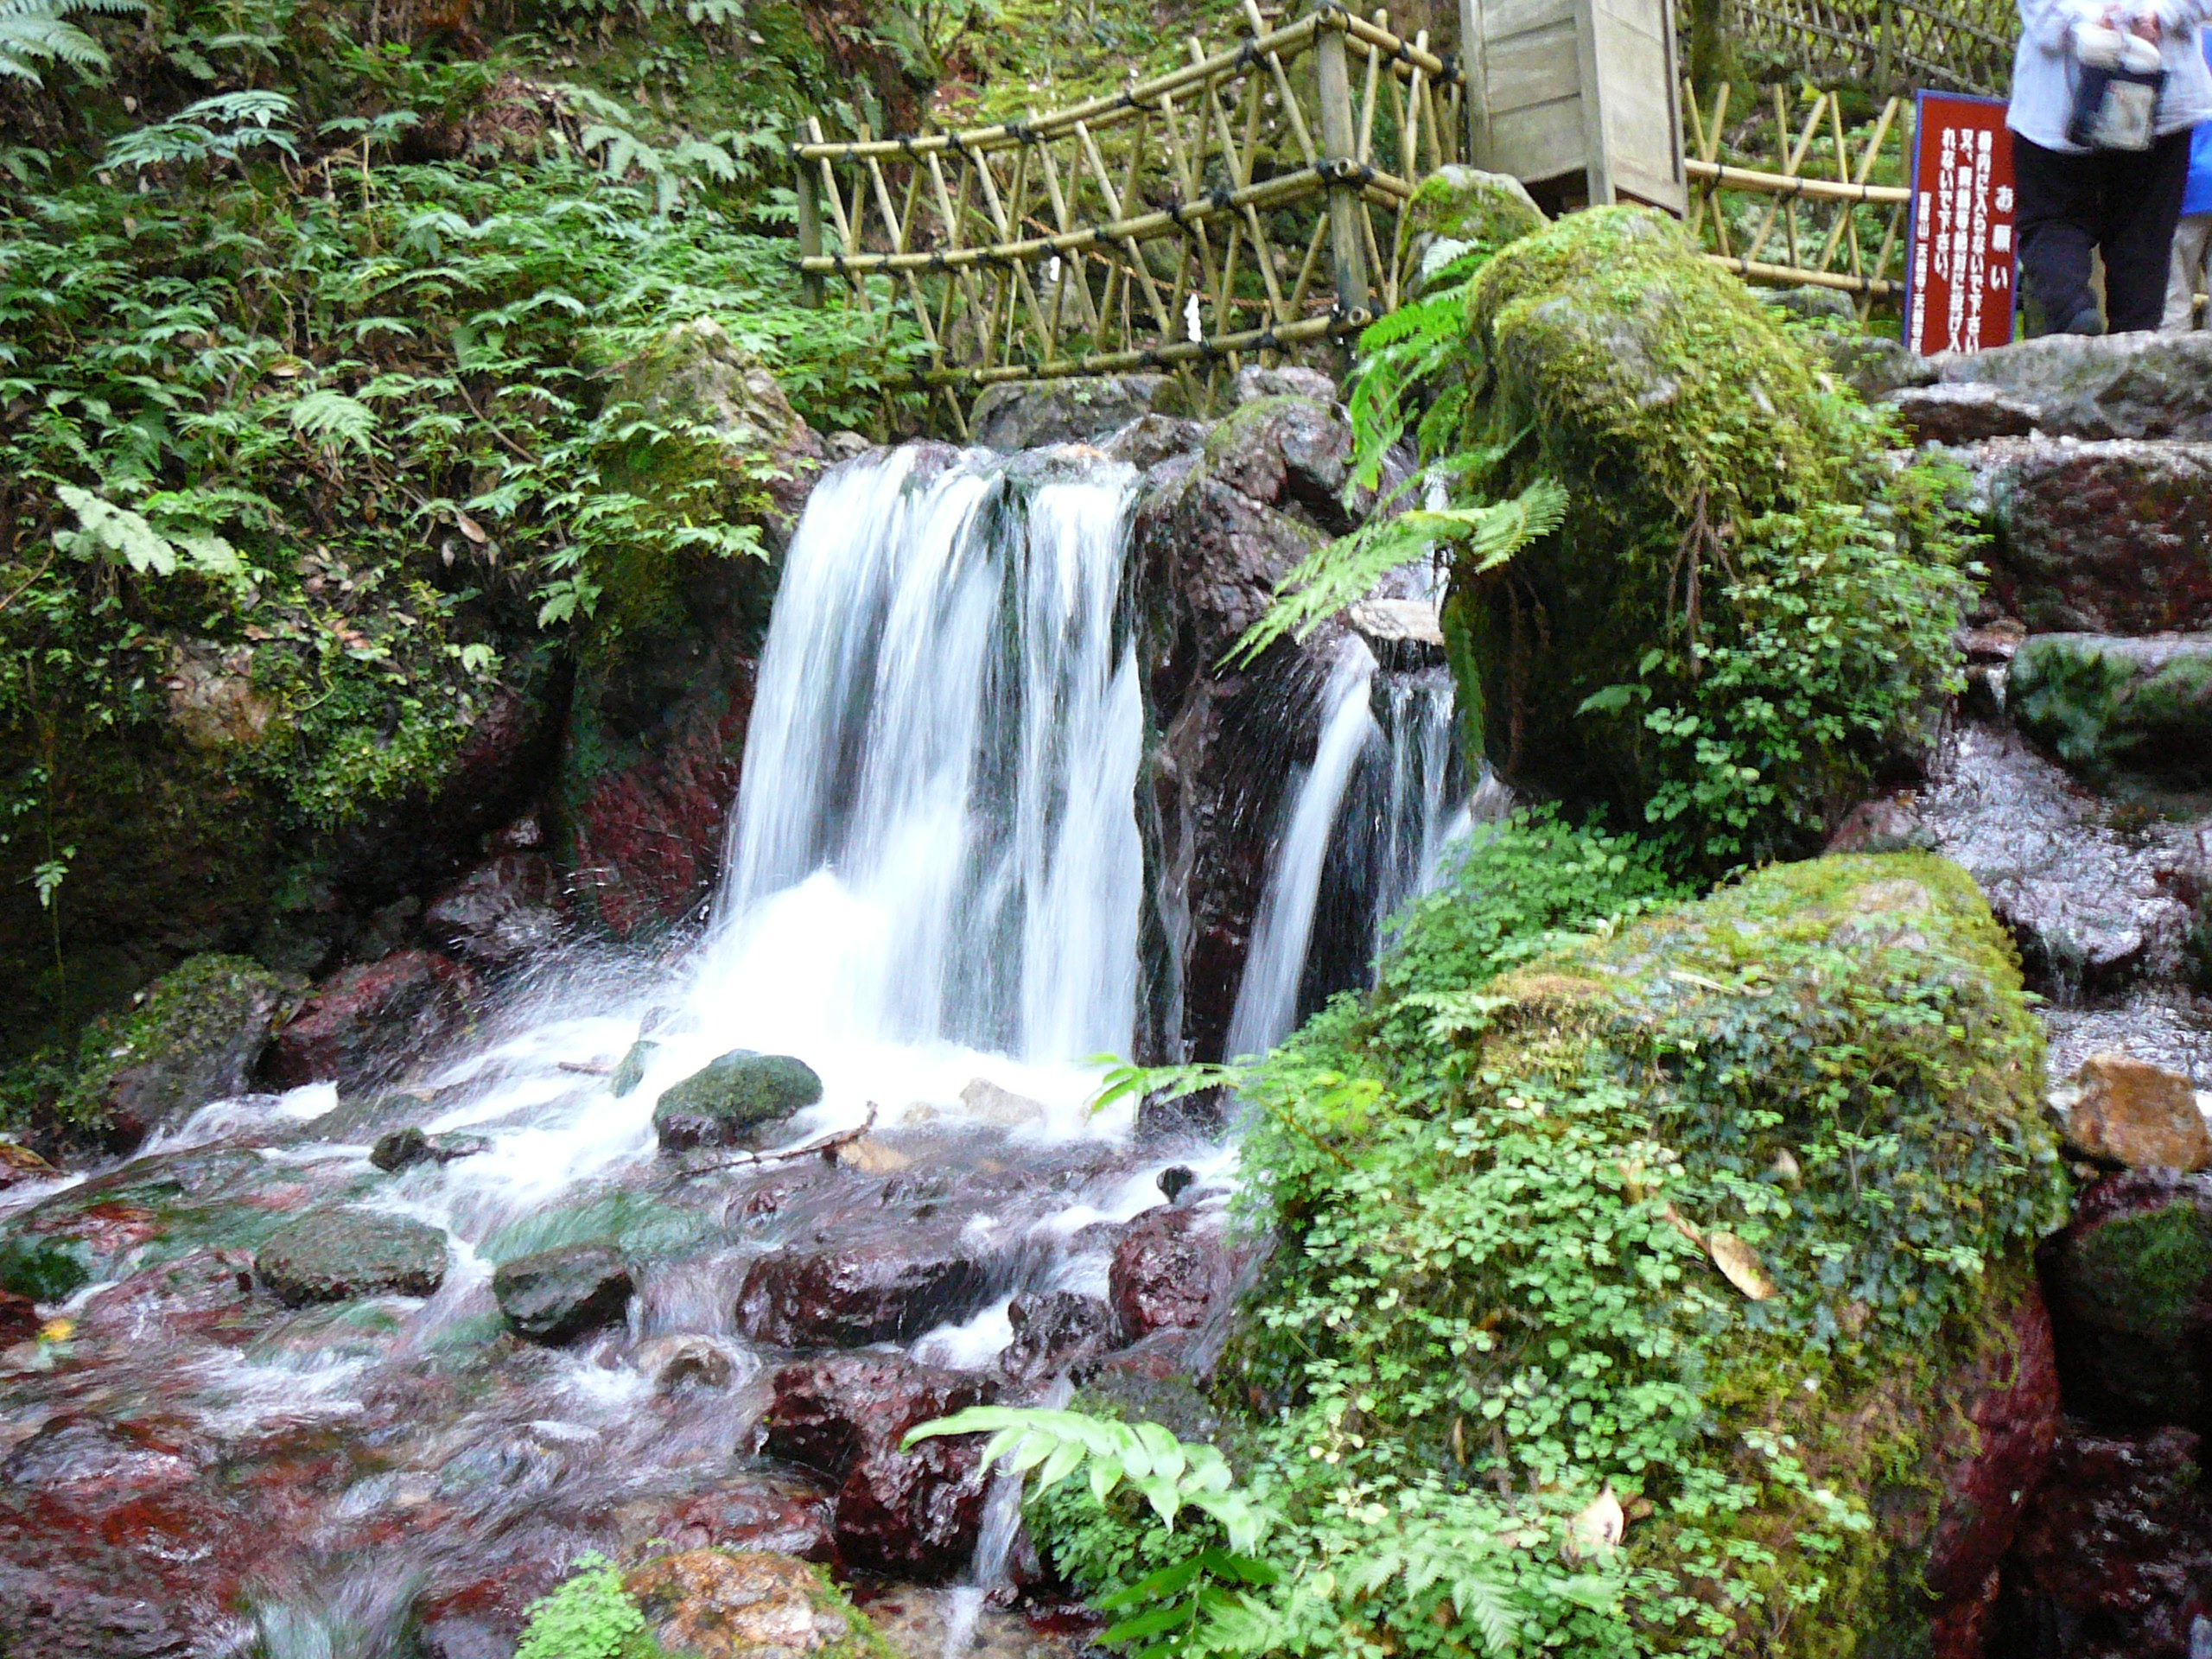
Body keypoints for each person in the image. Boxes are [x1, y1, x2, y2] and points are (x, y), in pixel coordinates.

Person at [2008, 0, 2212, 334]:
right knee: (2144, 236)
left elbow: (2046, 19)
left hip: (2057, 101)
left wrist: (2092, 22)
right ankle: (2133, 347)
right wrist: (2156, 15)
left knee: (2054, 220)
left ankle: (2072, 309)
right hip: (2158, 95)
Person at [2163, 33, 2212, 327]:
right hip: (2185, 185)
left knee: (2173, 302)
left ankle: (2168, 371)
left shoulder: (2176, 38)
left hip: (2183, 186)